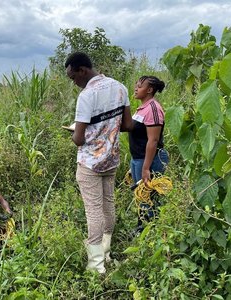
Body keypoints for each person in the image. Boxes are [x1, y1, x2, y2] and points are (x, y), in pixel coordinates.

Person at [65, 52, 132, 273]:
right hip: (111, 159)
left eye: (73, 77)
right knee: (108, 205)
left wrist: (74, 130)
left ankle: (96, 265)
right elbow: (127, 125)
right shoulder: (120, 87)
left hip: (90, 164)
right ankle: (106, 252)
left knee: (93, 212)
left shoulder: (87, 96)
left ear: (82, 71)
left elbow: (79, 139)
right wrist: (106, 126)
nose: (74, 82)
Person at [128, 75, 169, 232]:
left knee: (148, 197)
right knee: (141, 196)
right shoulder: (143, 108)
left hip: (150, 160)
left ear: (150, 90)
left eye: (140, 86)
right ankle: (142, 230)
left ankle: (149, 233)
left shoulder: (153, 109)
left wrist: (145, 168)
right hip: (139, 159)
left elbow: (153, 141)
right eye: (136, 85)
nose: (136, 88)